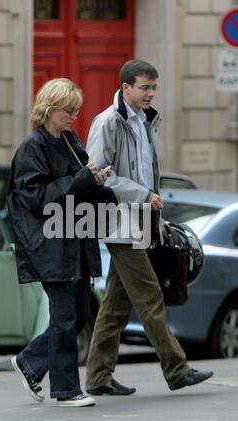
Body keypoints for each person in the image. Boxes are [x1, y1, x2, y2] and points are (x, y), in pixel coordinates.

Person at [85, 59, 213, 395]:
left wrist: (157, 221)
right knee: (150, 294)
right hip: (118, 222)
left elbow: (147, 173)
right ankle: (176, 369)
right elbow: (99, 174)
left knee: (115, 303)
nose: (150, 94)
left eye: (154, 88)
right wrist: (143, 195)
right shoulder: (107, 122)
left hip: (141, 221)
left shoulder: (146, 121)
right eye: (145, 87)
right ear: (125, 87)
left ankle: (97, 377)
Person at [7, 78, 115, 407]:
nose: (73, 116)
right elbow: (34, 197)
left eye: (76, 110)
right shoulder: (32, 148)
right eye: (68, 111)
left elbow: (78, 187)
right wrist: (81, 180)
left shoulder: (70, 141)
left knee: (79, 313)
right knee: (66, 316)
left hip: (76, 240)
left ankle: (30, 361)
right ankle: (66, 389)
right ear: (50, 110)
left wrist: (99, 184)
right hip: (50, 243)